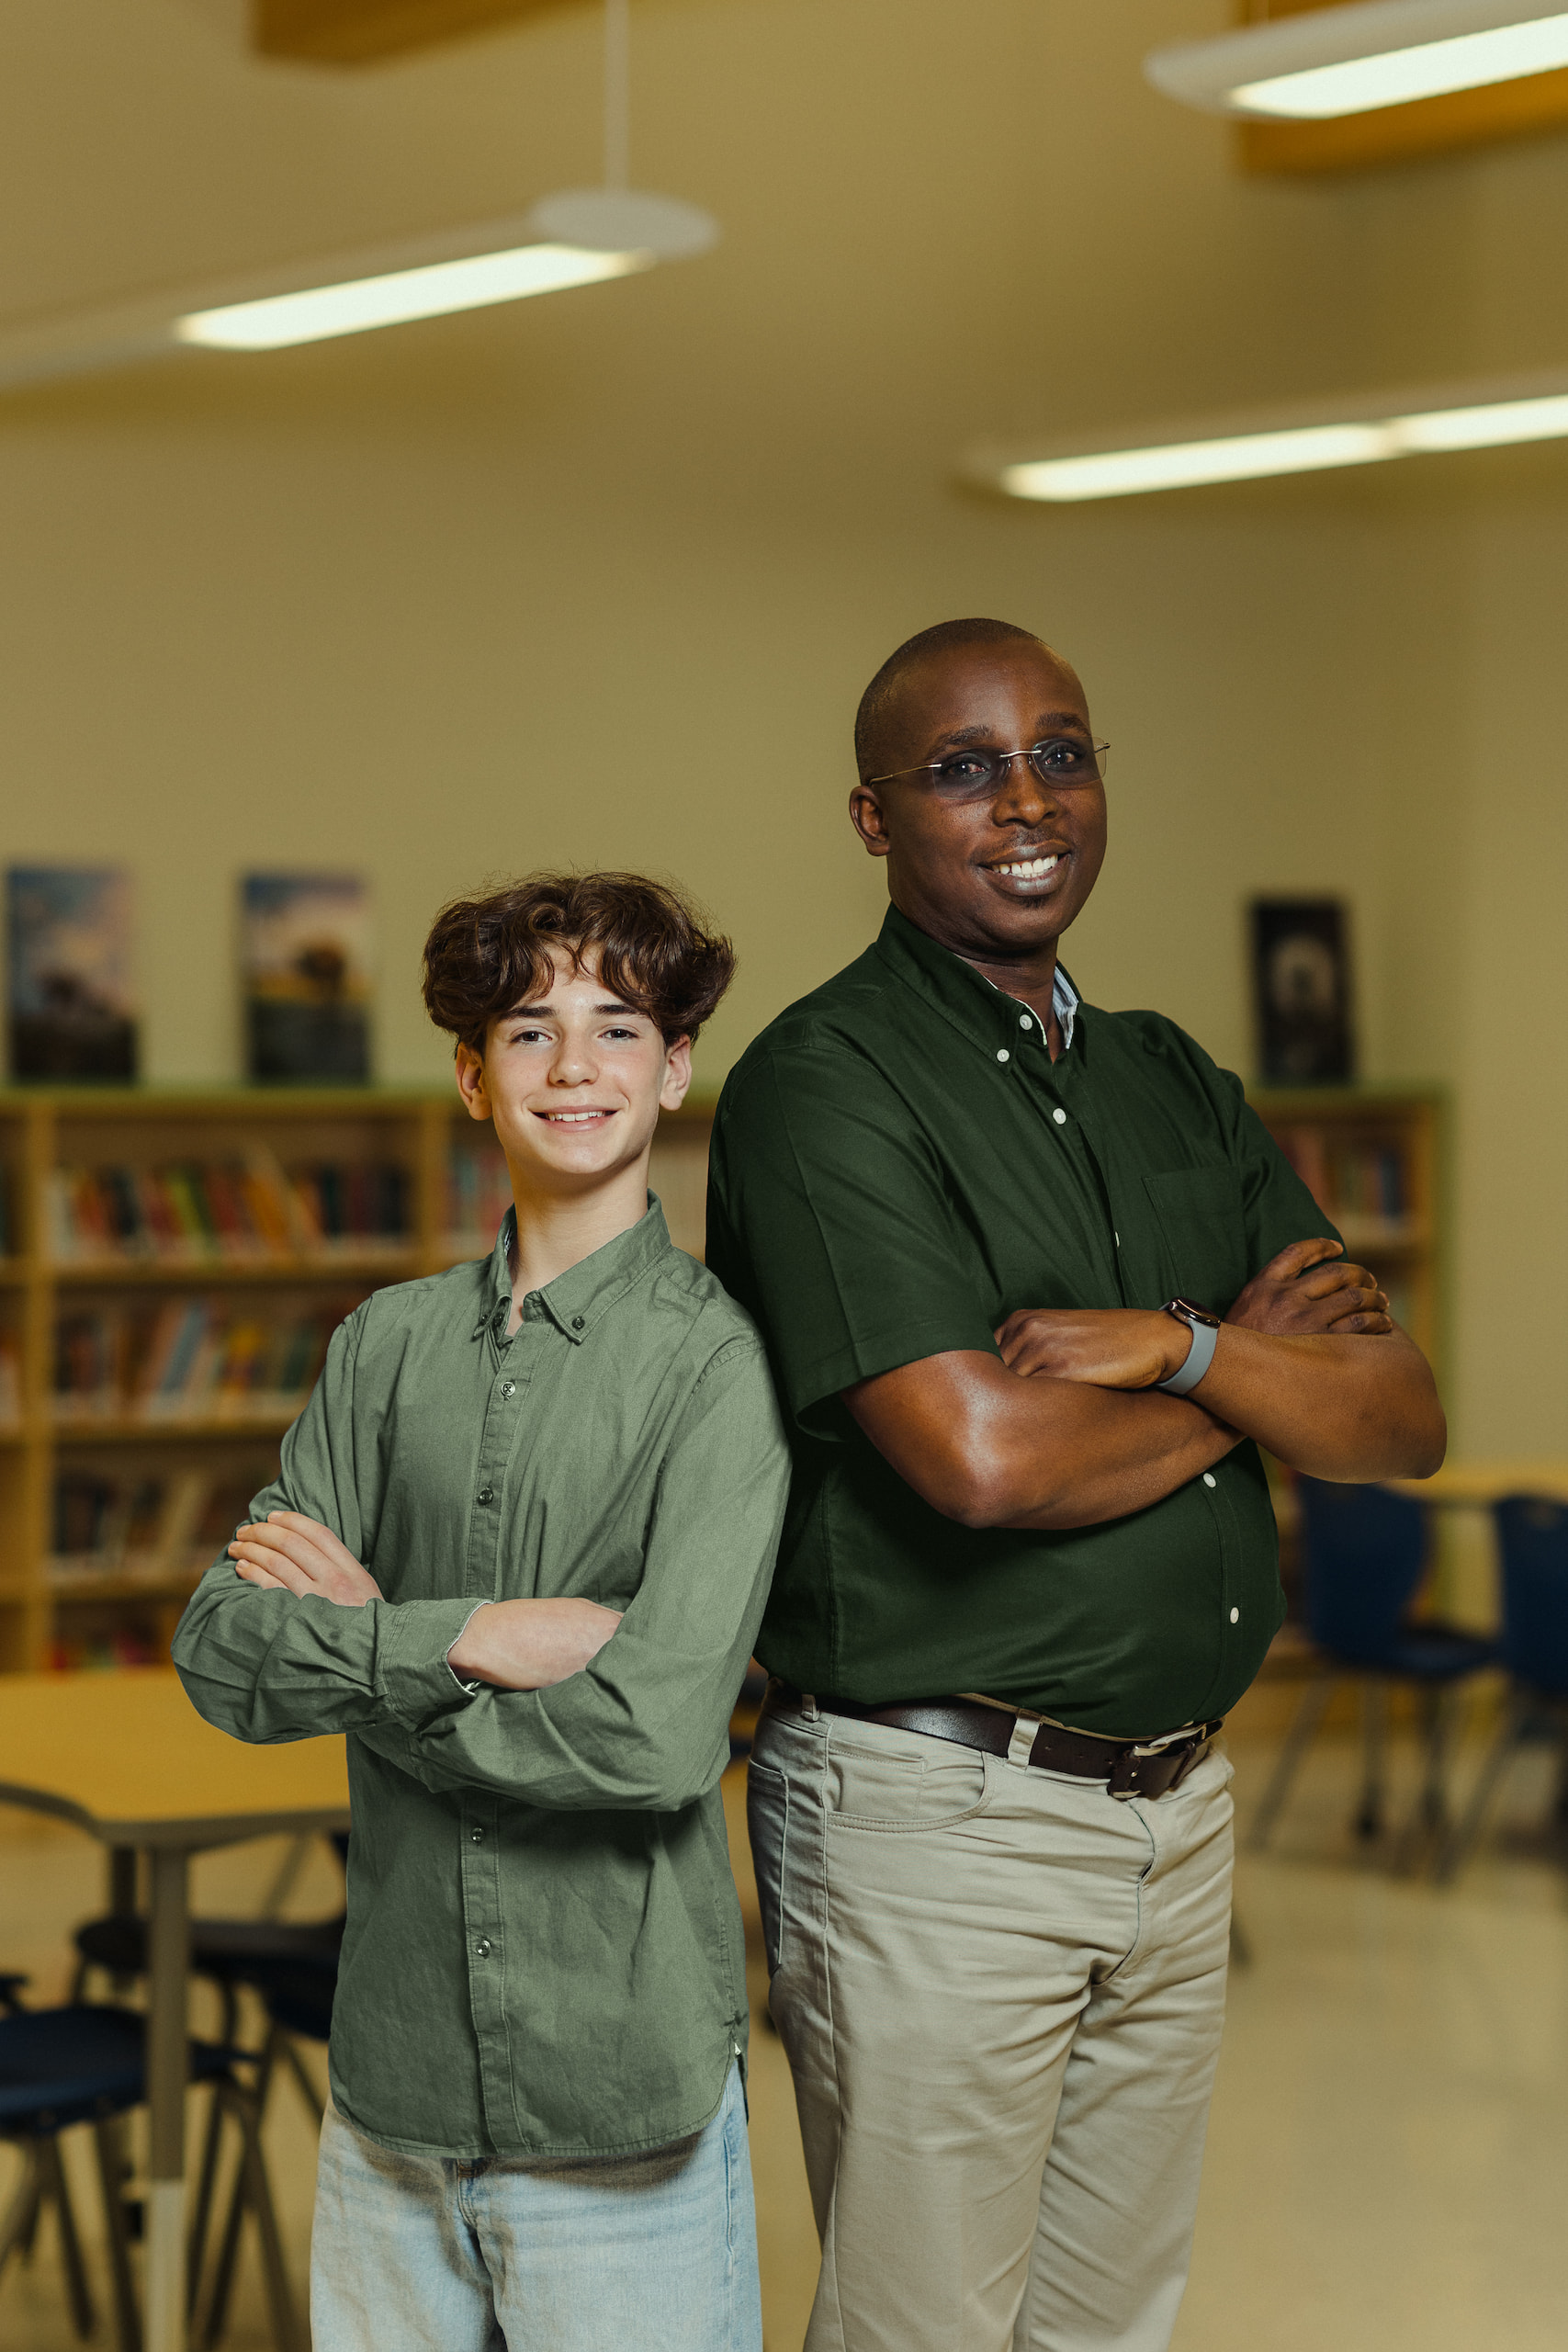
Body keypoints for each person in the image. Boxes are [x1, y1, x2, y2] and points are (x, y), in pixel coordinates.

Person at [705, 618, 1446, 2352]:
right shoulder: (824, 1084)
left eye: (1063, 750)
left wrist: (1170, 1345)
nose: (1027, 796)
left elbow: (1397, 1416)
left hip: (1176, 1819)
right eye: (964, 767)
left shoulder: (1173, 1075)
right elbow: (979, 1461)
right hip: (939, 1822)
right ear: (876, 818)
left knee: (1109, 2334)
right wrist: (1251, 1375)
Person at [173, 872, 791, 2352]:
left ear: (675, 1065)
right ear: (471, 1076)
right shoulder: (380, 1349)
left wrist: (368, 1648)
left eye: (618, 1025)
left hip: (620, 2095)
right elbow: (220, 1650)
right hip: (391, 2087)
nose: (575, 1065)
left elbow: (651, 1746)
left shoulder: (719, 1374)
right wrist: (467, 1637)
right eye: (529, 1030)